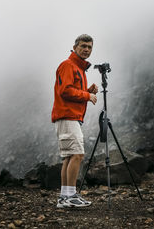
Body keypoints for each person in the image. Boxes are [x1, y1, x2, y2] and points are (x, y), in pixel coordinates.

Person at [51, 34, 98, 208]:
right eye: (83, 46)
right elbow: (65, 91)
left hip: (69, 116)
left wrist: (86, 91)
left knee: (69, 156)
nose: (86, 49)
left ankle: (65, 196)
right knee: (77, 154)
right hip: (68, 116)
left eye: (89, 47)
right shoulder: (68, 65)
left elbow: (71, 91)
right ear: (75, 47)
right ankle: (70, 196)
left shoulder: (78, 68)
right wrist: (87, 95)